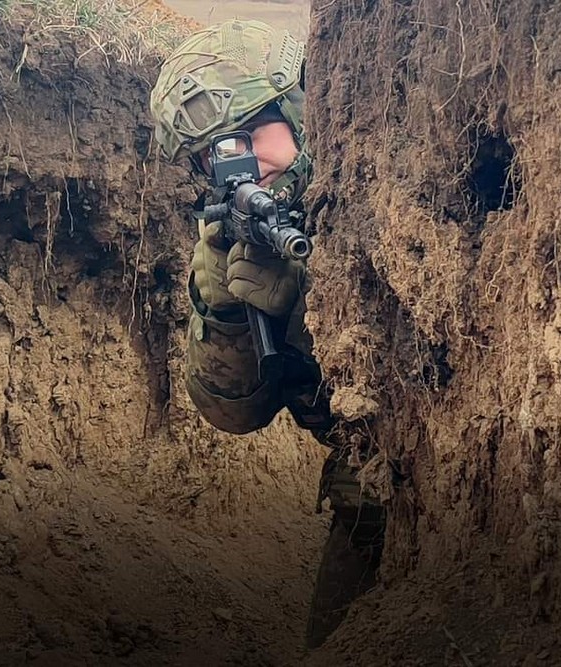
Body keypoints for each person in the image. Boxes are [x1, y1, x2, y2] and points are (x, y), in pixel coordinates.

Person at [149, 19, 386, 648]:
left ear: (301, 106)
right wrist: (225, 311)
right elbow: (235, 414)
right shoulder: (233, 236)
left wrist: (308, 300)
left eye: (252, 135)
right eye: (216, 155)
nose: (246, 168)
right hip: (365, 495)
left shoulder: (382, 177)